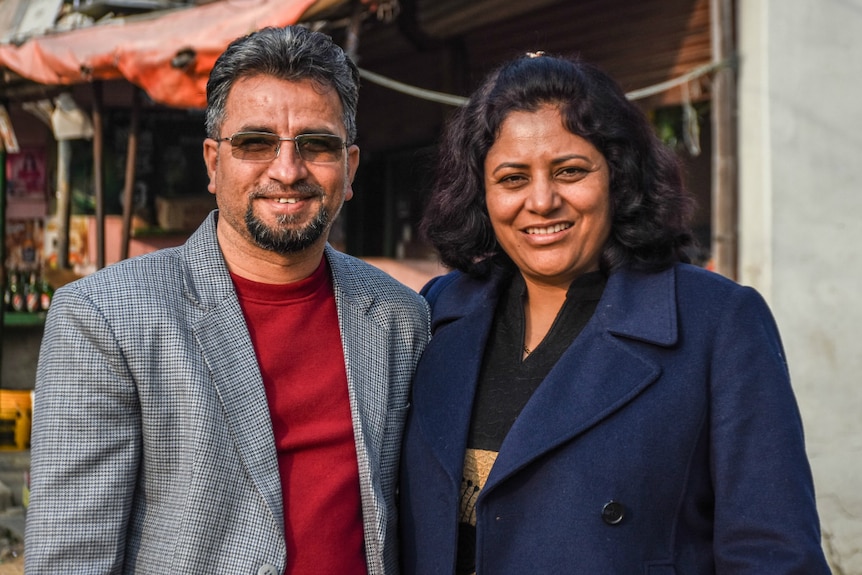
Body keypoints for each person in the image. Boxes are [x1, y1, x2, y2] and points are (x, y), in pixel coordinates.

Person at [399, 52, 831, 574]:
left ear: (618, 177)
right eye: (512, 178)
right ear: (481, 194)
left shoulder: (716, 323)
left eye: (570, 171)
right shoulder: (437, 314)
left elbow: (773, 555)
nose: (541, 200)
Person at [25, 25, 430, 575]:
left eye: (316, 144)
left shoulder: (398, 317)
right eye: (255, 143)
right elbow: (73, 557)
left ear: (350, 168)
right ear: (214, 163)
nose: (287, 171)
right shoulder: (105, 317)